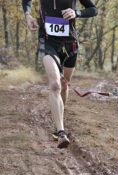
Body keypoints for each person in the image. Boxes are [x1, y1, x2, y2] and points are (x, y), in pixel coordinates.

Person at [22, 0, 97, 148]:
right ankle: (61, 131)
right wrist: (27, 15)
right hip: (48, 41)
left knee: (64, 85)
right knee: (55, 85)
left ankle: (59, 120)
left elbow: (93, 9)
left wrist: (77, 13)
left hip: (70, 43)